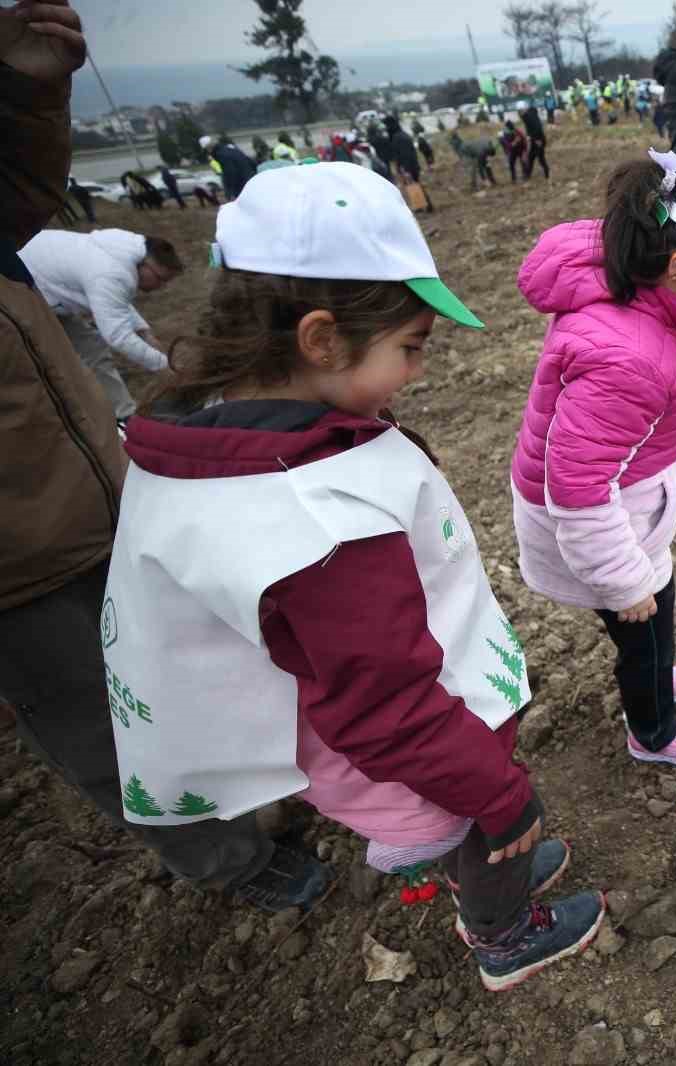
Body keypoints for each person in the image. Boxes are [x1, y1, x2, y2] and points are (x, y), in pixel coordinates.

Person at [106, 162, 605, 986]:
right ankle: (505, 929)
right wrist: (501, 793)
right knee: (492, 819)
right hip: (432, 739)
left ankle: (486, 862)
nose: (416, 370)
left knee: (476, 813)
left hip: (380, 731)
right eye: (409, 348)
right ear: (320, 338)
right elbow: (389, 707)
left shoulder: (211, 438)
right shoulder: (316, 522)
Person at [0, 0, 301, 915]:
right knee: (104, 720)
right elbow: (122, 334)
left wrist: (21, 92)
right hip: (18, 564)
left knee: (185, 659)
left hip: (99, 486)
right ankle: (230, 862)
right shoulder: (104, 271)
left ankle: (259, 797)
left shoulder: (70, 249)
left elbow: (15, 195)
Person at [509, 153, 676, 768]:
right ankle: (653, 731)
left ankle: (654, 672)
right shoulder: (631, 358)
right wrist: (624, 580)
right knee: (645, 620)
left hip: (615, 506)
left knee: (653, 615)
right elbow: (578, 487)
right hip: (595, 524)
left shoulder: (630, 278)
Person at [19, 229, 182, 421]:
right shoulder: (111, 272)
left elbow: (115, 301)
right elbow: (119, 337)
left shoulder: (121, 252)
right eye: (160, 279)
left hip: (42, 284)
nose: (161, 287)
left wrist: (145, 333)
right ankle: (86, 419)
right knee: (42, 362)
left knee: (91, 348)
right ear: (146, 264)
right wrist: (165, 368)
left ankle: (122, 414)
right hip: (20, 290)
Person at [202, 135, 257, 200]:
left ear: (208, 148)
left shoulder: (221, 154)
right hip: (251, 180)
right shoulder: (230, 148)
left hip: (241, 185)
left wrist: (230, 192)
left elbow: (230, 173)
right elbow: (251, 161)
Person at [522, 102, 549, 181]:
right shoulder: (530, 117)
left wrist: (537, 139)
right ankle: (527, 175)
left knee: (541, 159)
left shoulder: (529, 118)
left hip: (538, 140)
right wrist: (530, 137)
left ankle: (547, 174)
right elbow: (531, 130)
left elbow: (538, 129)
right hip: (535, 140)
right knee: (531, 158)